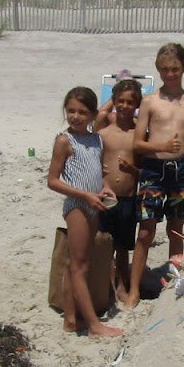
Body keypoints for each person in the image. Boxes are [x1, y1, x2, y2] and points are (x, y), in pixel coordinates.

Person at [127, 41, 184, 307]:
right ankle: (134, 289)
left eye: (175, 69)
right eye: (164, 69)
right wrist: (161, 146)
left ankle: (173, 284)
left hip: (180, 170)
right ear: (158, 70)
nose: (170, 74)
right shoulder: (149, 102)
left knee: (176, 230)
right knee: (146, 232)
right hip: (153, 169)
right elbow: (137, 143)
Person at [46, 87, 122, 338]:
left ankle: (70, 319)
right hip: (77, 207)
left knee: (75, 265)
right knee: (80, 267)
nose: (76, 116)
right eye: (71, 111)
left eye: (82, 112)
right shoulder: (64, 141)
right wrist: (85, 195)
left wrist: (106, 187)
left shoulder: (96, 139)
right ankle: (94, 325)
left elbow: (99, 174)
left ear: (92, 115)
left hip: (94, 205)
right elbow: (53, 181)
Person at [93, 77, 144, 303]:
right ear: (113, 101)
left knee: (123, 246)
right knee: (104, 244)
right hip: (104, 196)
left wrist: (131, 168)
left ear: (137, 105)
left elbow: (145, 169)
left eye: (130, 102)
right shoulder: (103, 132)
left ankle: (121, 283)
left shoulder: (139, 134)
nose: (124, 106)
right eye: (119, 101)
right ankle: (105, 282)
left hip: (128, 197)